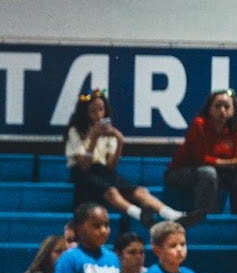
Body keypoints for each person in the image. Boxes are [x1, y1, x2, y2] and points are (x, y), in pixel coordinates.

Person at [63, 89, 192, 228]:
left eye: (100, 109)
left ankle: (172, 214)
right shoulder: (76, 131)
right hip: (83, 174)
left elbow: (111, 167)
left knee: (140, 191)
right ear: (85, 112)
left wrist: (119, 141)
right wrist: (94, 138)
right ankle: (140, 215)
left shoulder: (109, 132)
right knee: (111, 191)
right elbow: (84, 166)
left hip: (103, 172)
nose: (98, 115)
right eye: (92, 111)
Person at [165, 89, 237, 219]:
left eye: (226, 107)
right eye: (217, 106)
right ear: (209, 108)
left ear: (233, 110)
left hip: (216, 174)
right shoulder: (199, 124)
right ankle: (208, 220)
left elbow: (236, 158)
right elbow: (200, 159)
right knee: (208, 172)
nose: (222, 110)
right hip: (181, 173)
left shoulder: (236, 128)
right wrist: (233, 162)